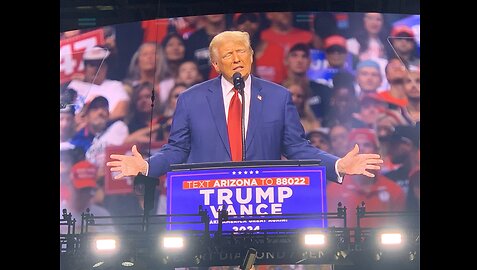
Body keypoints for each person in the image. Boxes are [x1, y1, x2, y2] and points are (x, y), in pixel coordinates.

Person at [107, 31, 383, 184]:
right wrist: (147, 165)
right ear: (215, 64)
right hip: (208, 204)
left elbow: (298, 148)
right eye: (228, 54)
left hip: (263, 202)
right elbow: (178, 149)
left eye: (243, 51)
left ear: (252, 55)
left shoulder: (279, 97)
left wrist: (337, 165)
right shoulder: (191, 99)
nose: (237, 58)